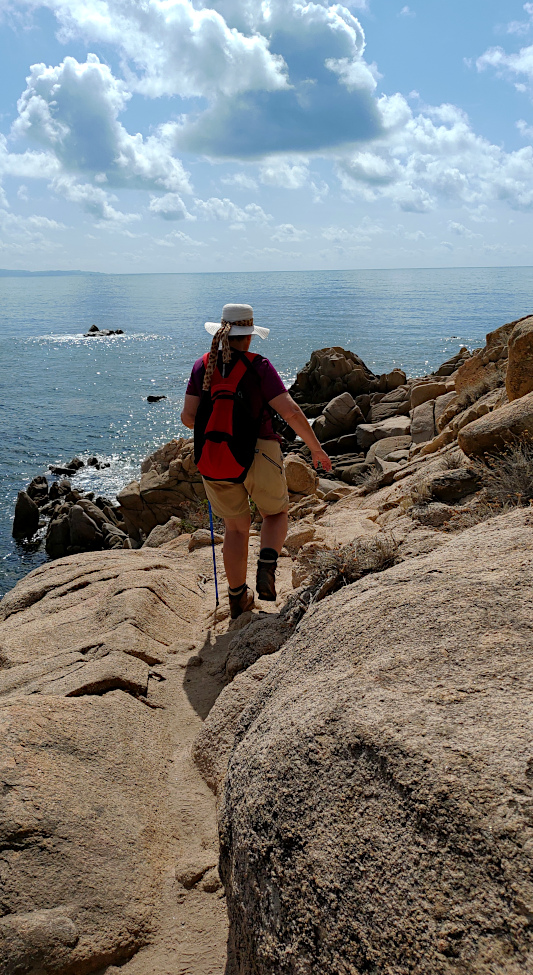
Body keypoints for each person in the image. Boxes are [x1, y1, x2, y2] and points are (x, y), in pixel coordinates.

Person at [181, 303, 332, 618]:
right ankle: (266, 565)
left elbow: (188, 418)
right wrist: (316, 448)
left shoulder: (201, 367)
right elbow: (289, 411)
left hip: (216, 457)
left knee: (235, 529)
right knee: (275, 514)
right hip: (261, 452)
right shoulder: (259, 366)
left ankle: (238, 599)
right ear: (248, 337)